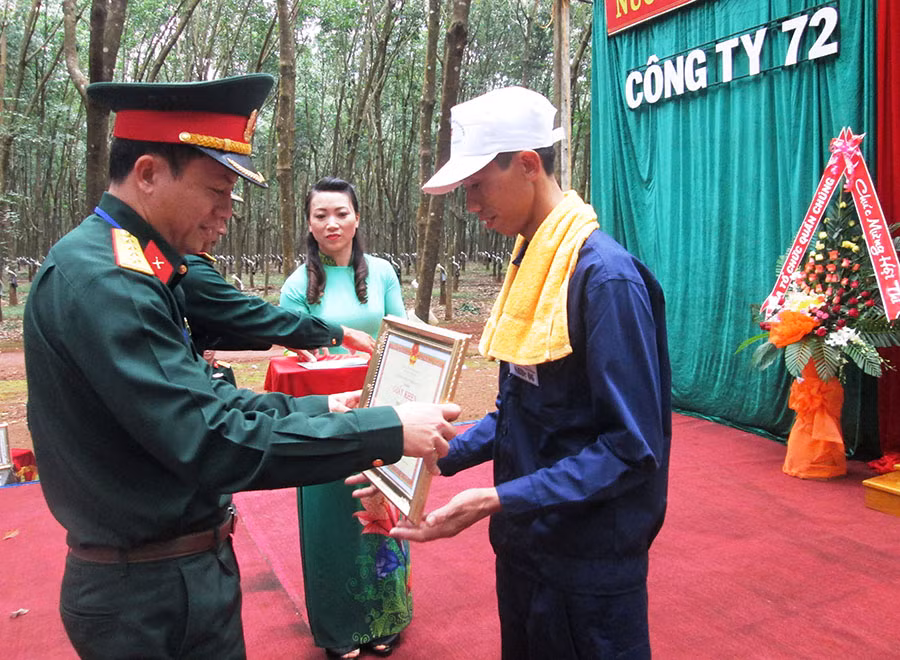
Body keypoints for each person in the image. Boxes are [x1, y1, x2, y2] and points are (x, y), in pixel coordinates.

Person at [23, 74, 460, 659]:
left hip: (170, 577)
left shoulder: (138, 270)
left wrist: (327, 406)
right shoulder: (113, 284)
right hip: (150, 600)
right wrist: (385, 429)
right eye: (217, 190)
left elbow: (208, 399)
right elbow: (208, 436)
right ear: (149, 173)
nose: (228, 212)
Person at [369, 86, 672, 659]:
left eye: (477, 185)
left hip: (588, 561)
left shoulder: (604, 280)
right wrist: (437, 453)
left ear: (528, 164)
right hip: (526, 547)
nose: (472, 205)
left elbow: (630, 449)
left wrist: (497, 499)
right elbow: (521, 410)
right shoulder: (531, 265)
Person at [280, 176, 408, 659]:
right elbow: (291, 352)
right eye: (320, 216)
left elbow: (400, 328)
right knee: (332, 520)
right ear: (309, 225)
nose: (332, 223)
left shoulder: (382, 272)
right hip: (323, 422)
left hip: (377, 412)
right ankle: (338, 628)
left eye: (341, 213)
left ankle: (386, 618)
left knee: (380, 510)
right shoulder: (297, 284)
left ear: (357, 217)